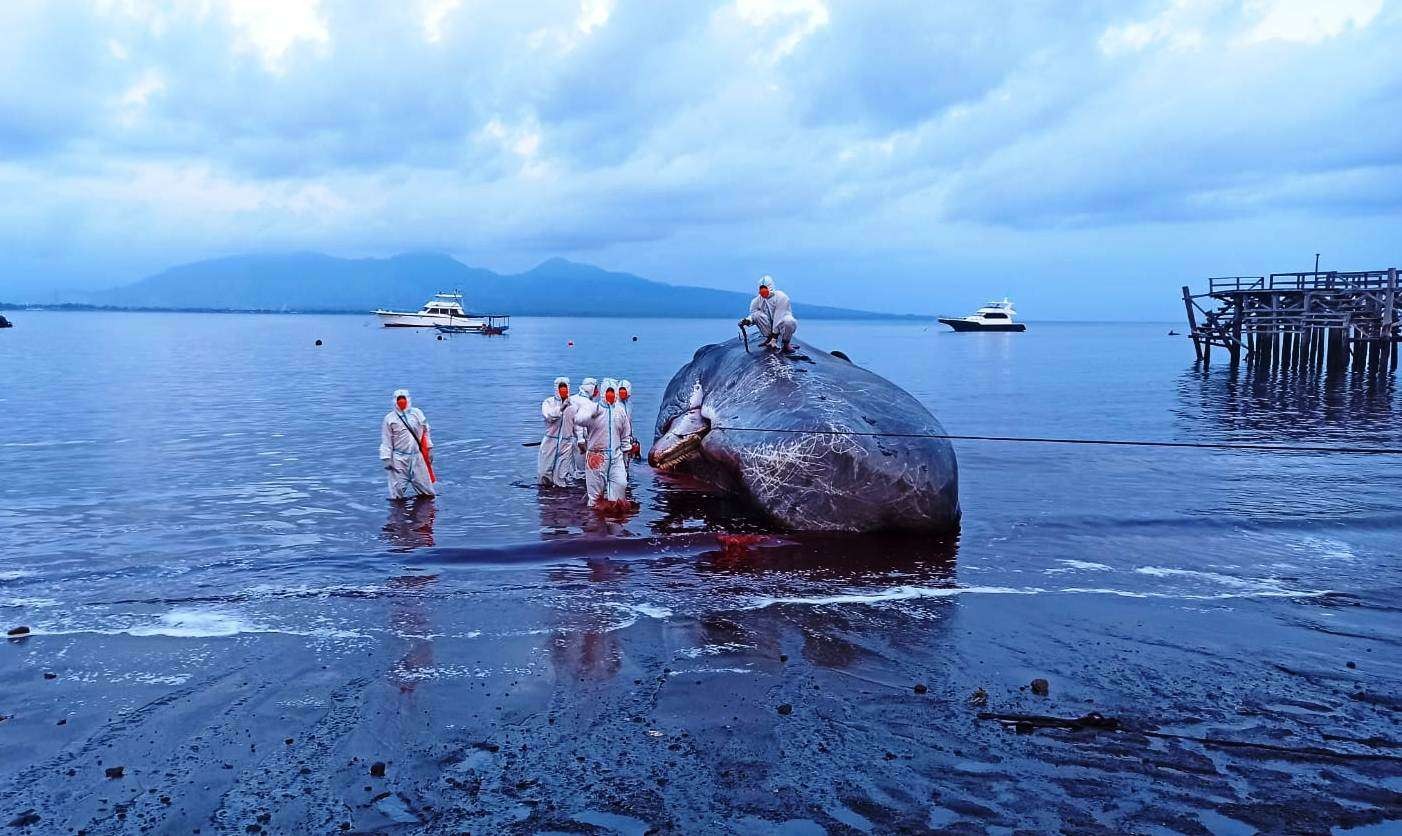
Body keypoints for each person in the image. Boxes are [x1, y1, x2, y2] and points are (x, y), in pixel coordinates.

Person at [572, 378, 632, 508]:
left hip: (616, 457)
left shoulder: (620, 411)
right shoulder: (594, 408)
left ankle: (614, 522)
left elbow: (626, 431)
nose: (610, 395)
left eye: (612, 392)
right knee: (596, 497)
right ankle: (594, 523)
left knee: (621, 485)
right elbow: (578, 420)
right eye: (608, 391)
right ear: (603, 393)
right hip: (596, 457)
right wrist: (589, 415)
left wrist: (626, 450)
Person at [380, 389, 436, 499]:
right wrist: (386, 458)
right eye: (399, 399)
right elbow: (386, 440)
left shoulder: (417, 413)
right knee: (396, 493)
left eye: (403, 399)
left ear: (408, 399)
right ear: (394, 401)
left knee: (427, 492)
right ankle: (398, 514)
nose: (401, 401)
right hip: (398, 460)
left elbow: (426, 431)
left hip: (417, 457)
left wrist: (429, 448)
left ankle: (426, 514)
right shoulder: (389, 418)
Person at [538, 376, 580, 487]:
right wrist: (561, 408)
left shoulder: (573, 406)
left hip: (566, 443)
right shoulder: (548, 402)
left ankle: (560, 500)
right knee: (544, 473)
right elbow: (549, 416)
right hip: (550, 442)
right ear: (556, 389)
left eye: (565, 388)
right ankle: (545, 498)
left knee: (561, 476)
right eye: (561, 388)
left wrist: (581, 440)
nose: (563, 390)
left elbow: (576, 426)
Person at [740, 274, 797, 352]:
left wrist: (775, 338)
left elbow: (778, 317)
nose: (762, 291)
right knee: (757, 315)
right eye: (761, 288)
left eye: (764, 288)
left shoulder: (782, 297)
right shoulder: (756, 301)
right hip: (769, 326)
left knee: (789, 321)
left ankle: (786, 343)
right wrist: (748, 320)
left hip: (782, 324)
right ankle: (769, 338)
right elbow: (753, 314)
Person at [569, 377, 600, 474]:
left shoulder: (572, 398)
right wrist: (581, 440)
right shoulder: (585, 402)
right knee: (582, 471)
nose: (597, 392)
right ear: (591, 388)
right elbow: (579, 423)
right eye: (595, 388)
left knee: (571, 468)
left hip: (569, 439)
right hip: (579, 441)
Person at [617, 379, 640, 474]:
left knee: (626, 463)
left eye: (624, 392)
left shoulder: (629, 405)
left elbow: (629, 423)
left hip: (627, 438)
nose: (622, 394)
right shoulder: (616, 405)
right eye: (621, 392)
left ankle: (626, 479)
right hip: (618, 439)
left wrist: (631, 437)